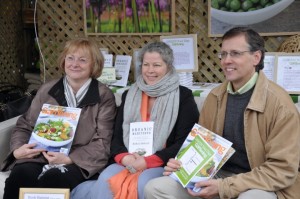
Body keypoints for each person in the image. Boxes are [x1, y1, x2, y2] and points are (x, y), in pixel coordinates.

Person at [144, 27, 300, 199]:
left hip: (259, 183)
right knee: (156, 188)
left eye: (235, 53)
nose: (227, 60)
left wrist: (225, 187)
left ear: (256, 57)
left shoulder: (280, 104)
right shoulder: (215, 96)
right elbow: (201, 146)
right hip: (216, 175)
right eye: (223, 54)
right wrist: (182, 165)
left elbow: (282, 170)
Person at [71, 41, 200, 199]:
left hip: (162, 163)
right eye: (146, 64)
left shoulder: (183, 97)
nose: (150, 70)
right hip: (128, 160)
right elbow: (116, 136)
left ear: (168, 67)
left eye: (157, 65)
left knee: (142, 183)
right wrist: (123, 157)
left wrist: (148, 161)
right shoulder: (129, 95)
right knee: (106, 178)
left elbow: (184, 143)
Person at [1, 38, 117, 199]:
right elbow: (25, 125)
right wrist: (18, 149)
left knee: (54, 178)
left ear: (94, 65)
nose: (75, 64)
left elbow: (103, 141)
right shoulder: (47, 89)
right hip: (40, 154)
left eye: (82, 60)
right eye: (70, 58)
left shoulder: (104, 96)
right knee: (20, 174)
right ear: (63, 61)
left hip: (77, 160)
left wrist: (69, 158)